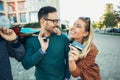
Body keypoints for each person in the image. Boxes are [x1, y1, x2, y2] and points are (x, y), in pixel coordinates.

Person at [22, 6, 71, 80]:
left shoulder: (63, 38)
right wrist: (42, 51)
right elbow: (26, 64)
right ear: (42, 21)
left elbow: (69, 60)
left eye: (57, 20)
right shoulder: (31, 40)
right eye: (54, 21)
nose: (57, 24)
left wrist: (67, 77)